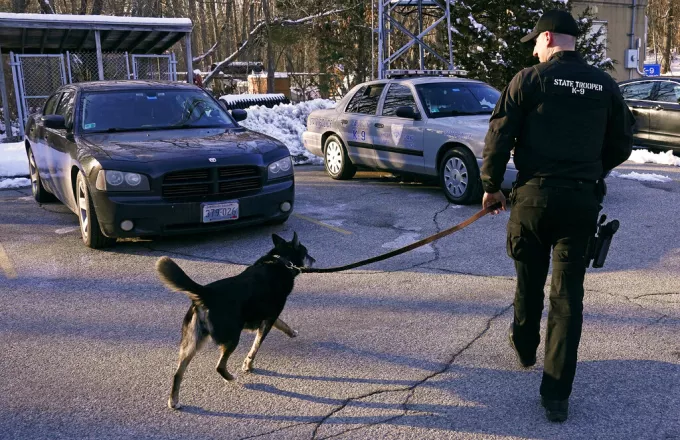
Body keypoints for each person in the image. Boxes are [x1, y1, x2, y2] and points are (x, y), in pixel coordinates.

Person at [480, 10, 634, 422]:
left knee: (529, 279)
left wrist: (492, 185)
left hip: (532, 198)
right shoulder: (604, 84)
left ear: (548, 37)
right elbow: (623, 142)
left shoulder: (529, 79)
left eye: (535, 41)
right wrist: (591, 169)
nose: (533, 49)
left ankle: (526, 346)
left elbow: (499, 134)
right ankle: (556, 396)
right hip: (580, 203)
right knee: (568, 300)